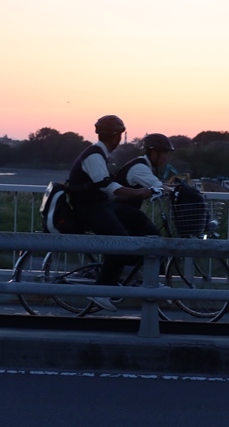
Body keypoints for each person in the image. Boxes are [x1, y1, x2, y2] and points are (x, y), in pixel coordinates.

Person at [67, 115, 160, 312]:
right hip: (89, 209)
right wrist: (137, 192)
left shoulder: (100, 153)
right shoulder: (94, 154)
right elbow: (106, 186)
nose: (120, 139)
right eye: (120, 134)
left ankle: (130, 269)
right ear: (115, 135)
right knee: (120, 242)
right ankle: (101, 290)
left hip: (102, 205)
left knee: (141, 222)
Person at [113, 133, 175, 210]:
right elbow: (159, 186)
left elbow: (159, 185)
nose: (166, 158)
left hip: (124, 210)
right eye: (165, 153)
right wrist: (179, 192)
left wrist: (177, 187)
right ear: (154, 152)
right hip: (120, 212)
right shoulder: (140, 168)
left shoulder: (142, 163)